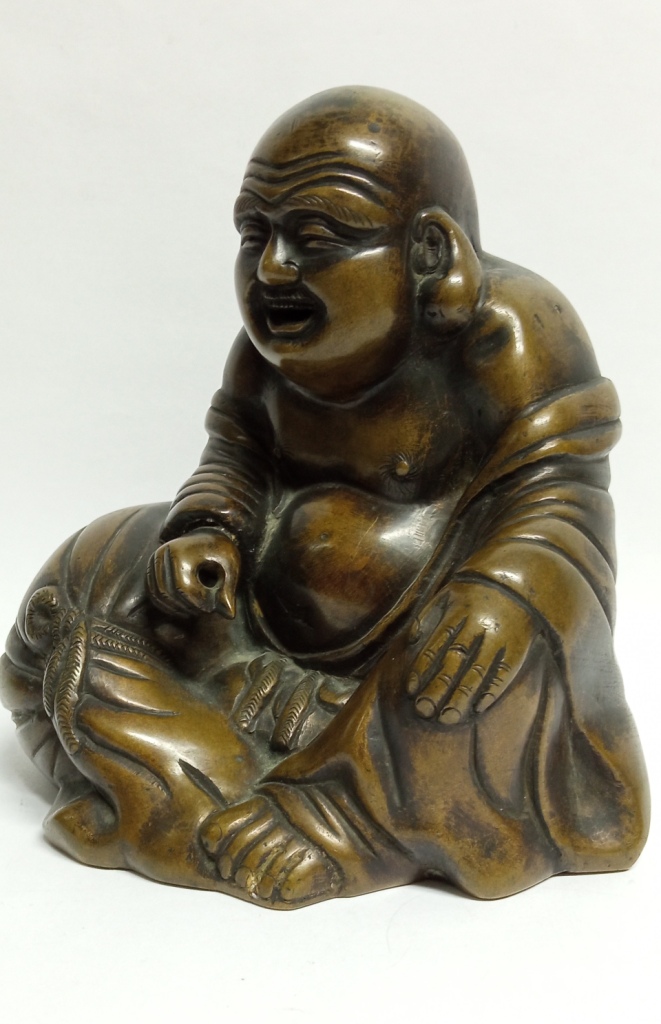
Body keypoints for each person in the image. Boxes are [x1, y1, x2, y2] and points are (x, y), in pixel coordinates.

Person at [1, 87, 649, 908]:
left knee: (485, 660)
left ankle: (333, 813)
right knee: (91, 574)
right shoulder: (262, 353)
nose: (273, 268)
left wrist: (503, 590)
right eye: (254, 234)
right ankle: (231, 751)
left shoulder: (511, 334)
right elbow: (236, 456)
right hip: (258, 633)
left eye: (315, 239)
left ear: (429, 253)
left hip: (424, 642)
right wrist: (209, 531)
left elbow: (558, 498)